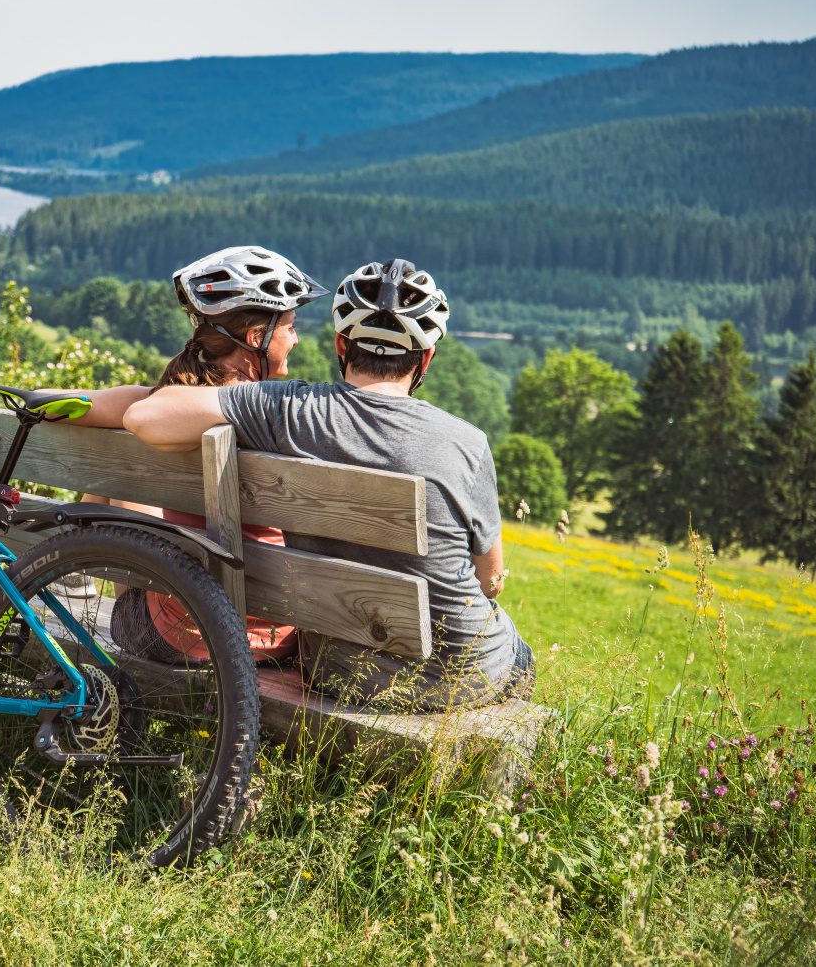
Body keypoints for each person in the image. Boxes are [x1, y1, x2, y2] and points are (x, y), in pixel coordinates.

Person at [122, 258, 534, 710]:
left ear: (341, 344)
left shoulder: (288, 410)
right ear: (426, 357)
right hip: (467, 675)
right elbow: (490, 581)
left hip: (337, 671)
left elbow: (146, 416)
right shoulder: (468, 443)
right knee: (519, 655)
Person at [67, 245, 328, 664]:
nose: (296, 338)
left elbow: (85, 406)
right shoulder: (283, 417)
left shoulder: (175, 406)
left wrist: (23, 399)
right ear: (256, 338)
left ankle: (69, 577)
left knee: (122, 473)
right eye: (291, 327)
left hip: (176, 636)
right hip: (275, 640)